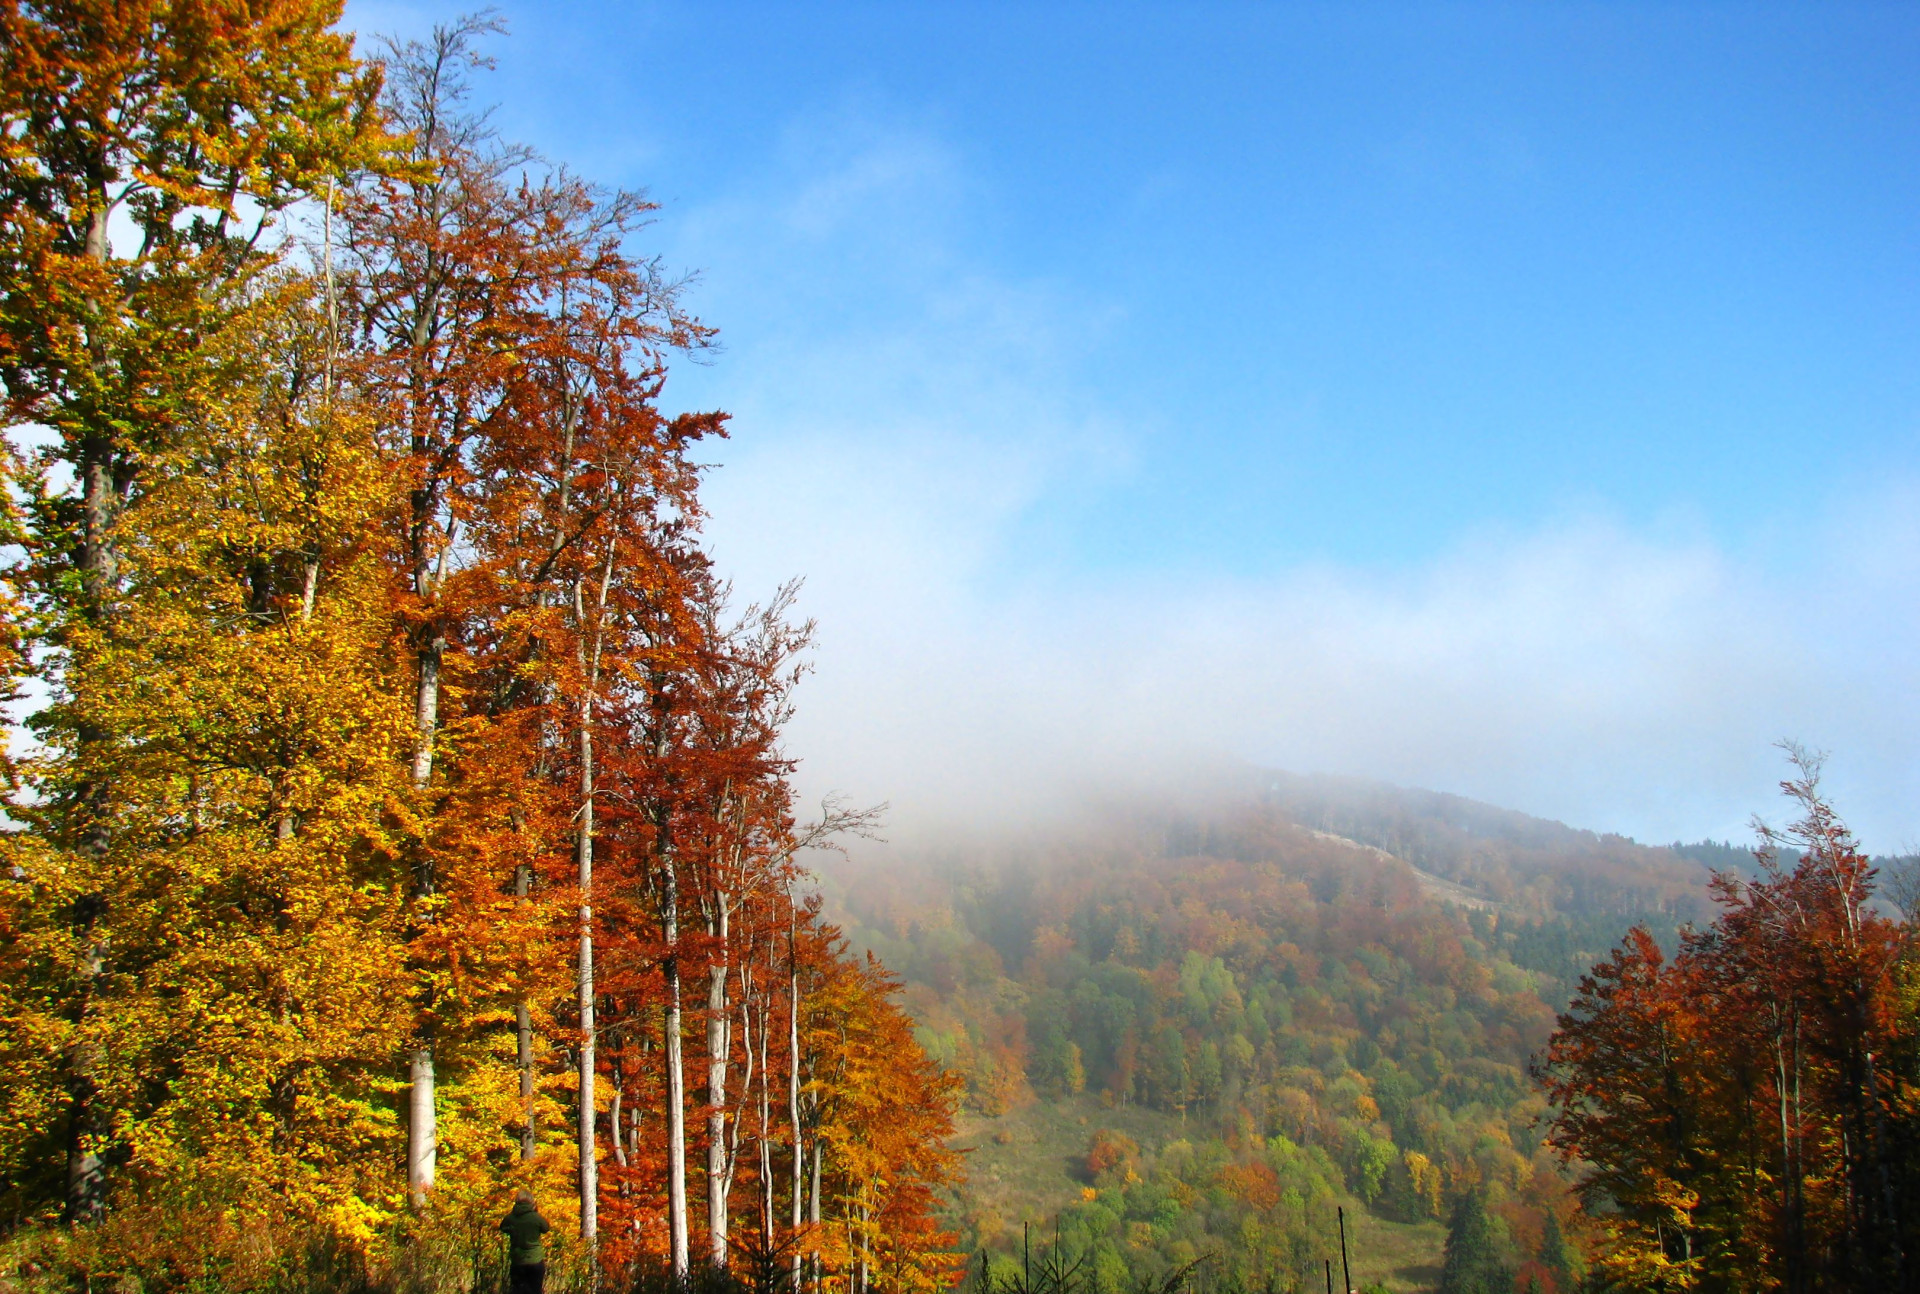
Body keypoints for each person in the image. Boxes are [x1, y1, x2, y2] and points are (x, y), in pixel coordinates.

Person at [499, 1188, 551, 1294]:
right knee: (535, 1290)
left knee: (518, 1290)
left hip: (517, 1259)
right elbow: (546, 1228)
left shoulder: (510, 1218)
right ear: (532, 1202)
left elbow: (503, 1228)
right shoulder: (536, 1217)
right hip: (535, 1259)